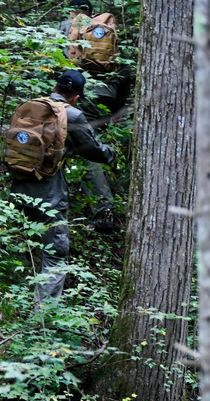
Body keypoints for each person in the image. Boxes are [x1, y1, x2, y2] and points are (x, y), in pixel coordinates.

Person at [9, 70, 116, 302]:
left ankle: (10, 303)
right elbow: (94, 151)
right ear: (76, 97)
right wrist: (111, 153)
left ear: (55, 88)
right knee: (54, 255)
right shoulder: (72, 115)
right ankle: (43, 319)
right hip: (48, 194)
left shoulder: (30, 107)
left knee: (20, 246)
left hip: (17, 187)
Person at [56, 0, 131, 233]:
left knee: (84, 148)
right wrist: (117, 107)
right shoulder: (107, 30)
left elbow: (50, 64)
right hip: (105, 96)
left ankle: (103, 210)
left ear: (72, 10)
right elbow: (125, 70)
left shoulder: (66, 26)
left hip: (75, 94)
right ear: (90, 11)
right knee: (81, 143)